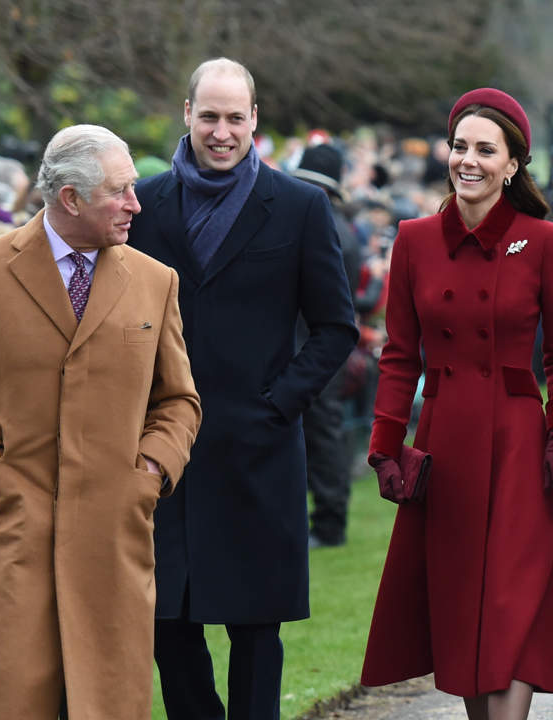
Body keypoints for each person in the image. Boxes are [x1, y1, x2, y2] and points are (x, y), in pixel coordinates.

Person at [0, 124, 202, 720]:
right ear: (70, 197)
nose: (135, 203)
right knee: (4, 702)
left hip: (111, 541)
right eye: (120, 191)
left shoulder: (155, 281)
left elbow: (178, 401)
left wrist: (147, 473)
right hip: (9, 536)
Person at [127, 58, 357, 719]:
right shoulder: (145, 205)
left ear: (254, 120)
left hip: (259, 451)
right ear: (188, 115)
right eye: (209, 116)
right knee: (168, 623)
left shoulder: (298, 206)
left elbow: (336, 327)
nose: (221, 131)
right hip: (164, 454)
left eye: (234, 117)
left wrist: (277, 404)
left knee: (257, 631)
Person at [360, 87, 553, 720]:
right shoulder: (414, 240)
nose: (469, 160)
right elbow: (400, 356)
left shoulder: (544, 241)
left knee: (511, 605)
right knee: (464, 613)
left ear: (513, 165)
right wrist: (383, 447)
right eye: (460, 146)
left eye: (486, 150)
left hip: (520, 444)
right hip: (446, 442)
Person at [291, 143, 362, 547]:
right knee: (323, 433)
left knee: (323, 433)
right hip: (322, 346)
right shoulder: (341, 226)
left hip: (313, 346)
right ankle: (326, 519)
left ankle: (330, 523)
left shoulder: (323, 226)